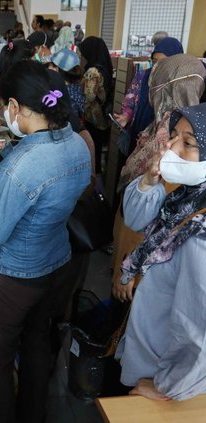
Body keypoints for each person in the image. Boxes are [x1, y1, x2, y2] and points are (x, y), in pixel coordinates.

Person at [0, 60, 90, 423]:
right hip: (56, 262)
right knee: (37, 341)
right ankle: (33, 413)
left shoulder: (23, 161)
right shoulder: (76, 142)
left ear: (14, 106)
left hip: (14, 273)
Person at [114, 102, 206, 401]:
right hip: (151, 349)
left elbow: (198, 333)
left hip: (161, 374)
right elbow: (137, 219)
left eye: (189, 144)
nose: (172, 148)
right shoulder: (186, 197)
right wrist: (150, 180)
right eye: (174, 136)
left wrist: (167, 386)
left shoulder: (199, 237)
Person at [111, 54, 205, 292]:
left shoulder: (176, 129)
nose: (173, 147)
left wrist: (132, 270)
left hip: (141, 240)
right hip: (139, 226)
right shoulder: (180, 123)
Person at [113, 37, 183, 155]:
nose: (157, 66)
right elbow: (130, 99)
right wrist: (126, 116)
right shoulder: (143, 75)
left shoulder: (179, 82)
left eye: (164, 62)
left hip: (160, 141)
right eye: (155, 61)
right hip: (138, 130)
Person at [78, 36, 114, 174]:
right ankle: (98, 176)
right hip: (103, 116)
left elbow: (89, 96)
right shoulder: (104, 66)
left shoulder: (92, 72)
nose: (82, 56)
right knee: (97, 147)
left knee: (92, 148)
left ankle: (93, 177)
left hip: (93, 117)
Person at [49, 48, 84, 120]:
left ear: (57, 69)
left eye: (51, 65)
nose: (49, 68)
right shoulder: (76, 87)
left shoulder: (61, 93)